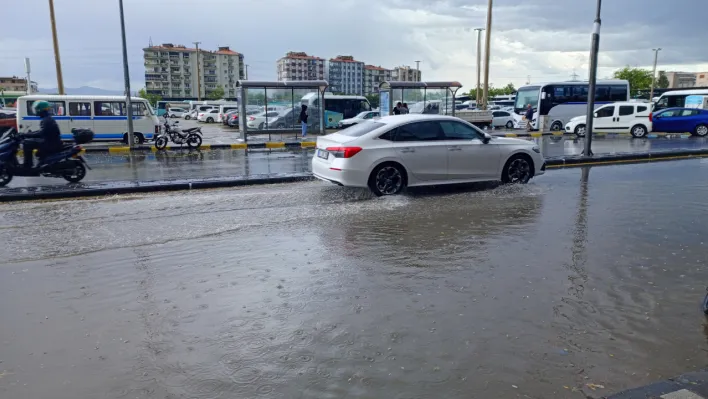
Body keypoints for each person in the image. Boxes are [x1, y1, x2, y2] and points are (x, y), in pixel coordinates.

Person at [22, 101, 63, 169]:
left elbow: (41, 133)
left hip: (50, 143)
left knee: (26, 143)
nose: (36, 112)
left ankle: (27, 165)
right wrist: (28, 134)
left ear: (41, 110)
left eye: (37, 110)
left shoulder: (46, 120)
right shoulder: (47, 119)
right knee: (29, 141)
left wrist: (27, 135)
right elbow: (42, 131)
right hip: (51, 141)